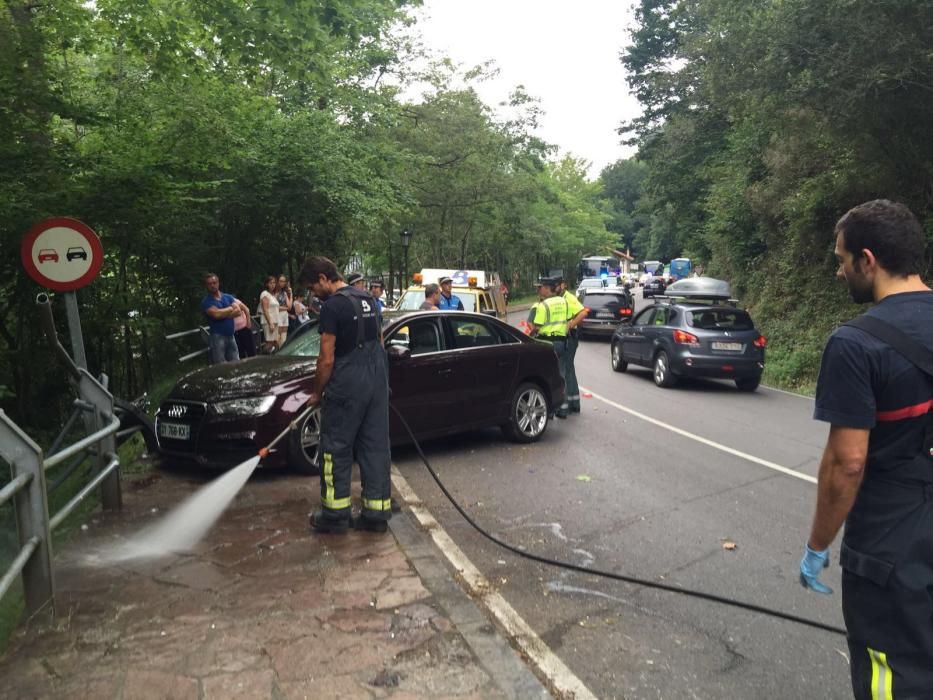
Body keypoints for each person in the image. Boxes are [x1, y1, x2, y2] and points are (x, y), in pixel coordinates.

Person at [799, 199, 933, 698]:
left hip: (890, 544)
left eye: (842, 259)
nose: (839, 271)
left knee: (890, 672)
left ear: (868, 260)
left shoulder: (855, 344)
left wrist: (817, 546)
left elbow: (847, 463)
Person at [299, 256, 392, 534]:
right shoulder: (368, 300)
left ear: (324, 278)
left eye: (313, 287)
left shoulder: (333, 306)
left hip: (347, 386)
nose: (313, 294)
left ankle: (335, 515)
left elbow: (326, 359)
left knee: (334, 449)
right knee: (375, 448)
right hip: (376, 383)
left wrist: (317, 393)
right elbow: (380, 343)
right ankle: (376, 516)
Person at [530, 277, 571, 418]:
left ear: (547, 288)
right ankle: (563, 408)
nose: (538, 290)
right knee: (561, 374)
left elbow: (537, 327)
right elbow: (568, 319)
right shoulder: (563, 302)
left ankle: (550, 411)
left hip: (547, 344)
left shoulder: (543, 306)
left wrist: (529, 335)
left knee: (545, 376)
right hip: (561, 343)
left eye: (540, 287)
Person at [557, 277, 589, 414]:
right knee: (569, 369)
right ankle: (574, 402)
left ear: (563, 285)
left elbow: (583, 313)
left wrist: (571, 324)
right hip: (568, 338)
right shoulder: (560, 299)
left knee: (564, 370)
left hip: (569, 338)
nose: (555, 288)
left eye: (556, 285)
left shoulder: (568, 298)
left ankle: (564, 407)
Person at [200, 273, 247, 364]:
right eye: (210, 284)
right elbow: (216, 315)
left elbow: (238, 311)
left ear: (218, 283)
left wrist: (222, 313)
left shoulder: (227, 297)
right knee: (220, 365)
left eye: (214, 282)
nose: (212, 285)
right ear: (206, 286)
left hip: (231, 335)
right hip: (217, 337)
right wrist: (230, 308)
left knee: (236, 362)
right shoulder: (206, 302)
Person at [258, 275, 280, 353]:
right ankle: (262, 358)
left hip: (275, 321)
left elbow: (276, 308)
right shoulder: (265, 294)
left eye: (274, 283)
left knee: (275, 342)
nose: (273, 285)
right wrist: (270, 323)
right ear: (267, 284)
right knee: (269, 343)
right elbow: (265, 309)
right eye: (270, 283)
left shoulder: (273, 295)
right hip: (268, 322)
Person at [275, 274, 292, 342]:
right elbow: (275, 307)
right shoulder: (275, 292)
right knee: (278, 336)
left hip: (285, 315)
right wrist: (285, 308)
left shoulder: (284, 293)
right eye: (281, 281)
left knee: (284, 336)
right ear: (278, 281)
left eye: (284, 281)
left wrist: (291, 294)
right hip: (278, 315)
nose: (282, 283)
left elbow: (289, 307)